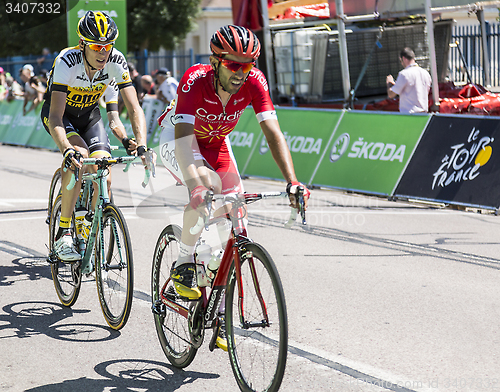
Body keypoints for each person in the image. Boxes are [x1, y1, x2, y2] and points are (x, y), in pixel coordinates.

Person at [158, 25, 310, 306]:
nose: (241, 73)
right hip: (178, 140)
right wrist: (195, 188)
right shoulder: (195, 79)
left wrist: (293, 180)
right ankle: (182, 263)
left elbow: (273, 131)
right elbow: (183, 142)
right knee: (208, 187)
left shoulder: (255, 82)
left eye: (248, 65)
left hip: (216, 144)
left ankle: (219, 308)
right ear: (215, 62)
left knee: (238, 210)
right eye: (232, 65)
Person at [41, 10, 149, 261]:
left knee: (103, 173)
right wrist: (66, 148)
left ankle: (87, 224)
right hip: (61, 116)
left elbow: (133, 108)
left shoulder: (117, 60)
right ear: (82, 45)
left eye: (108, 46)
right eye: (97, 46)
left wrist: (141, 143)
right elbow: (56, 116)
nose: (104, 52)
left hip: (90, 116)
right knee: (78, 155)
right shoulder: (67, 61)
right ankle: (64, 232)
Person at [386, 47, 432, 114]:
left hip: (409, 115)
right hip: (424, 114)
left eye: (401, 61)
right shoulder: (426, 73)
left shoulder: (404, 74)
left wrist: (389, 83)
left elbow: (391, 95)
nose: (401, 63)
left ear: (404, 59)